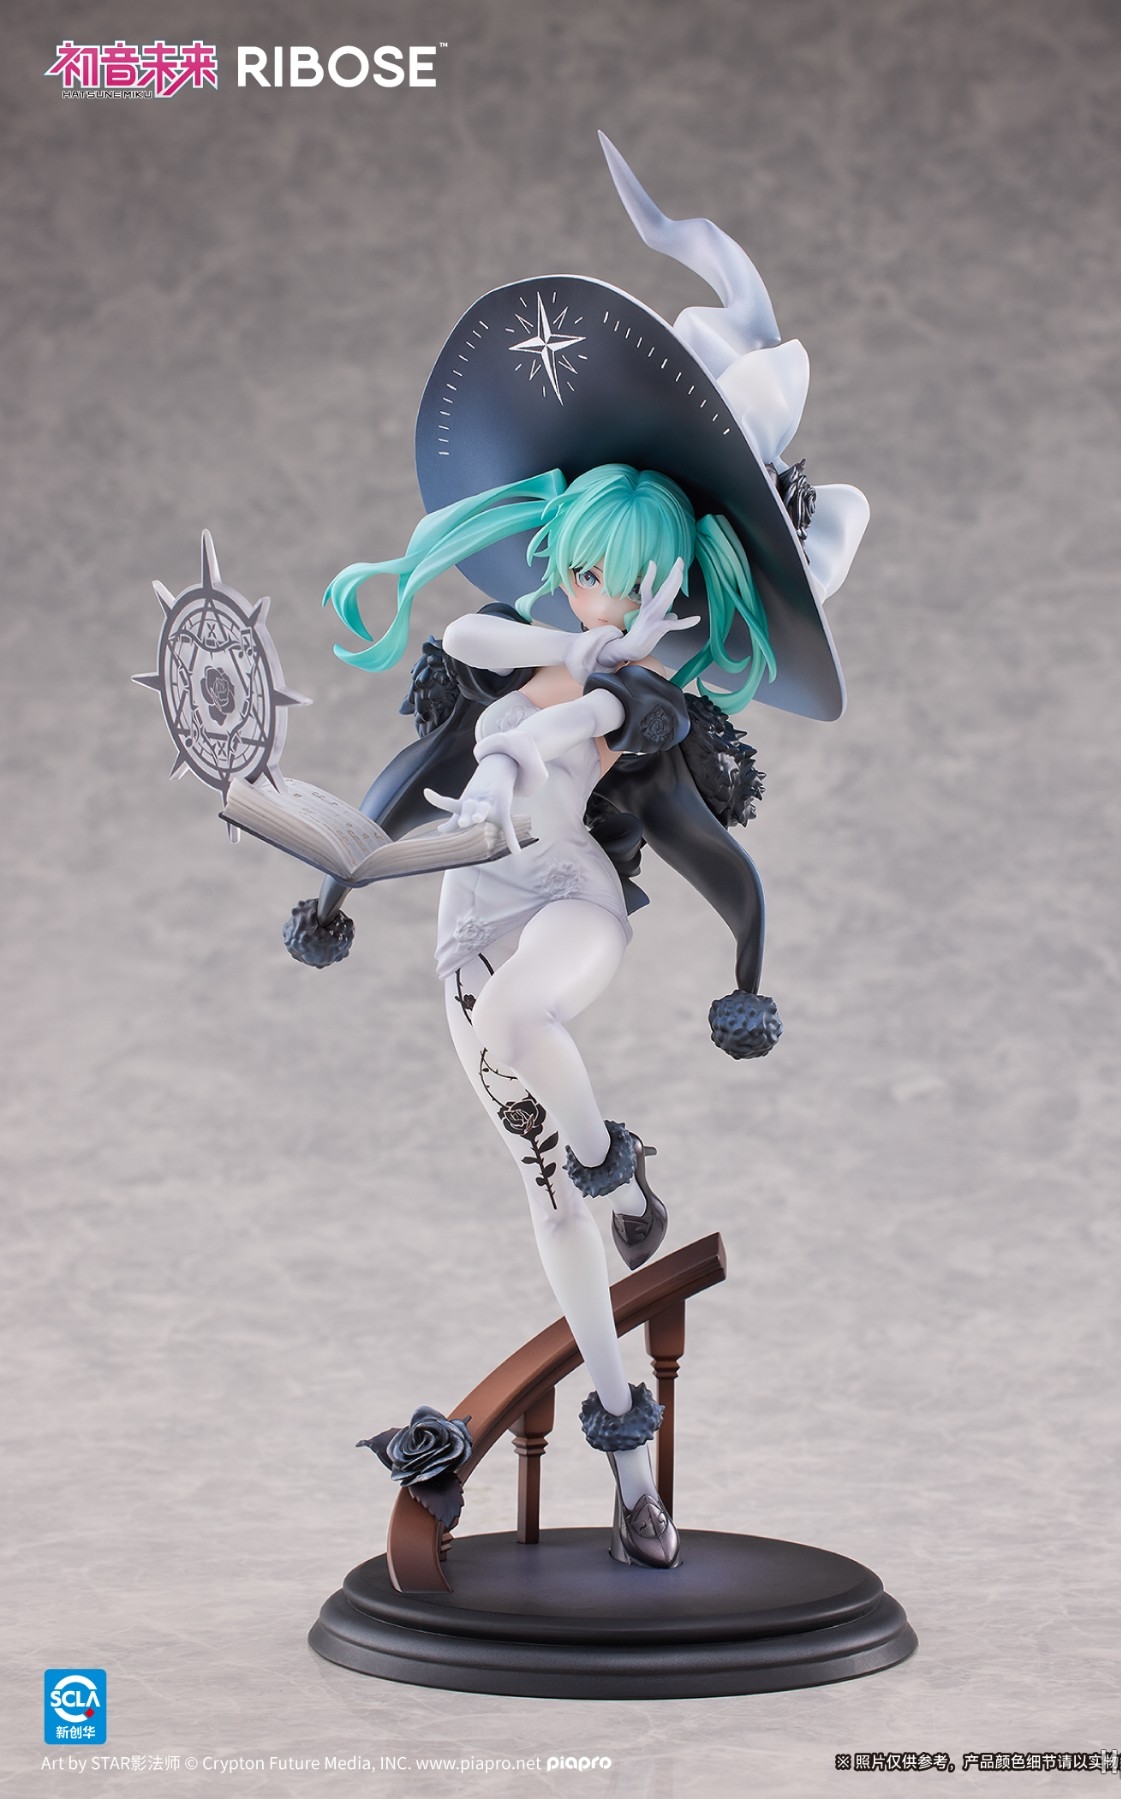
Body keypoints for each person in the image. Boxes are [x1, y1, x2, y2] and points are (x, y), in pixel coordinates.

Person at [283, 138, 869, 1569]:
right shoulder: (499, 656)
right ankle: (625, 1463)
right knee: (538, 1198)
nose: (603, 593)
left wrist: (748, 974)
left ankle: (616, 1157)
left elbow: (710, 856)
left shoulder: (647, 711)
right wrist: (339, 873)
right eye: (591, 566)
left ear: (676, 587)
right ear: (564, 553)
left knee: (524, 1027)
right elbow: (413, 773)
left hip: (573, 905)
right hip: (468, 916)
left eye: (632, 577)